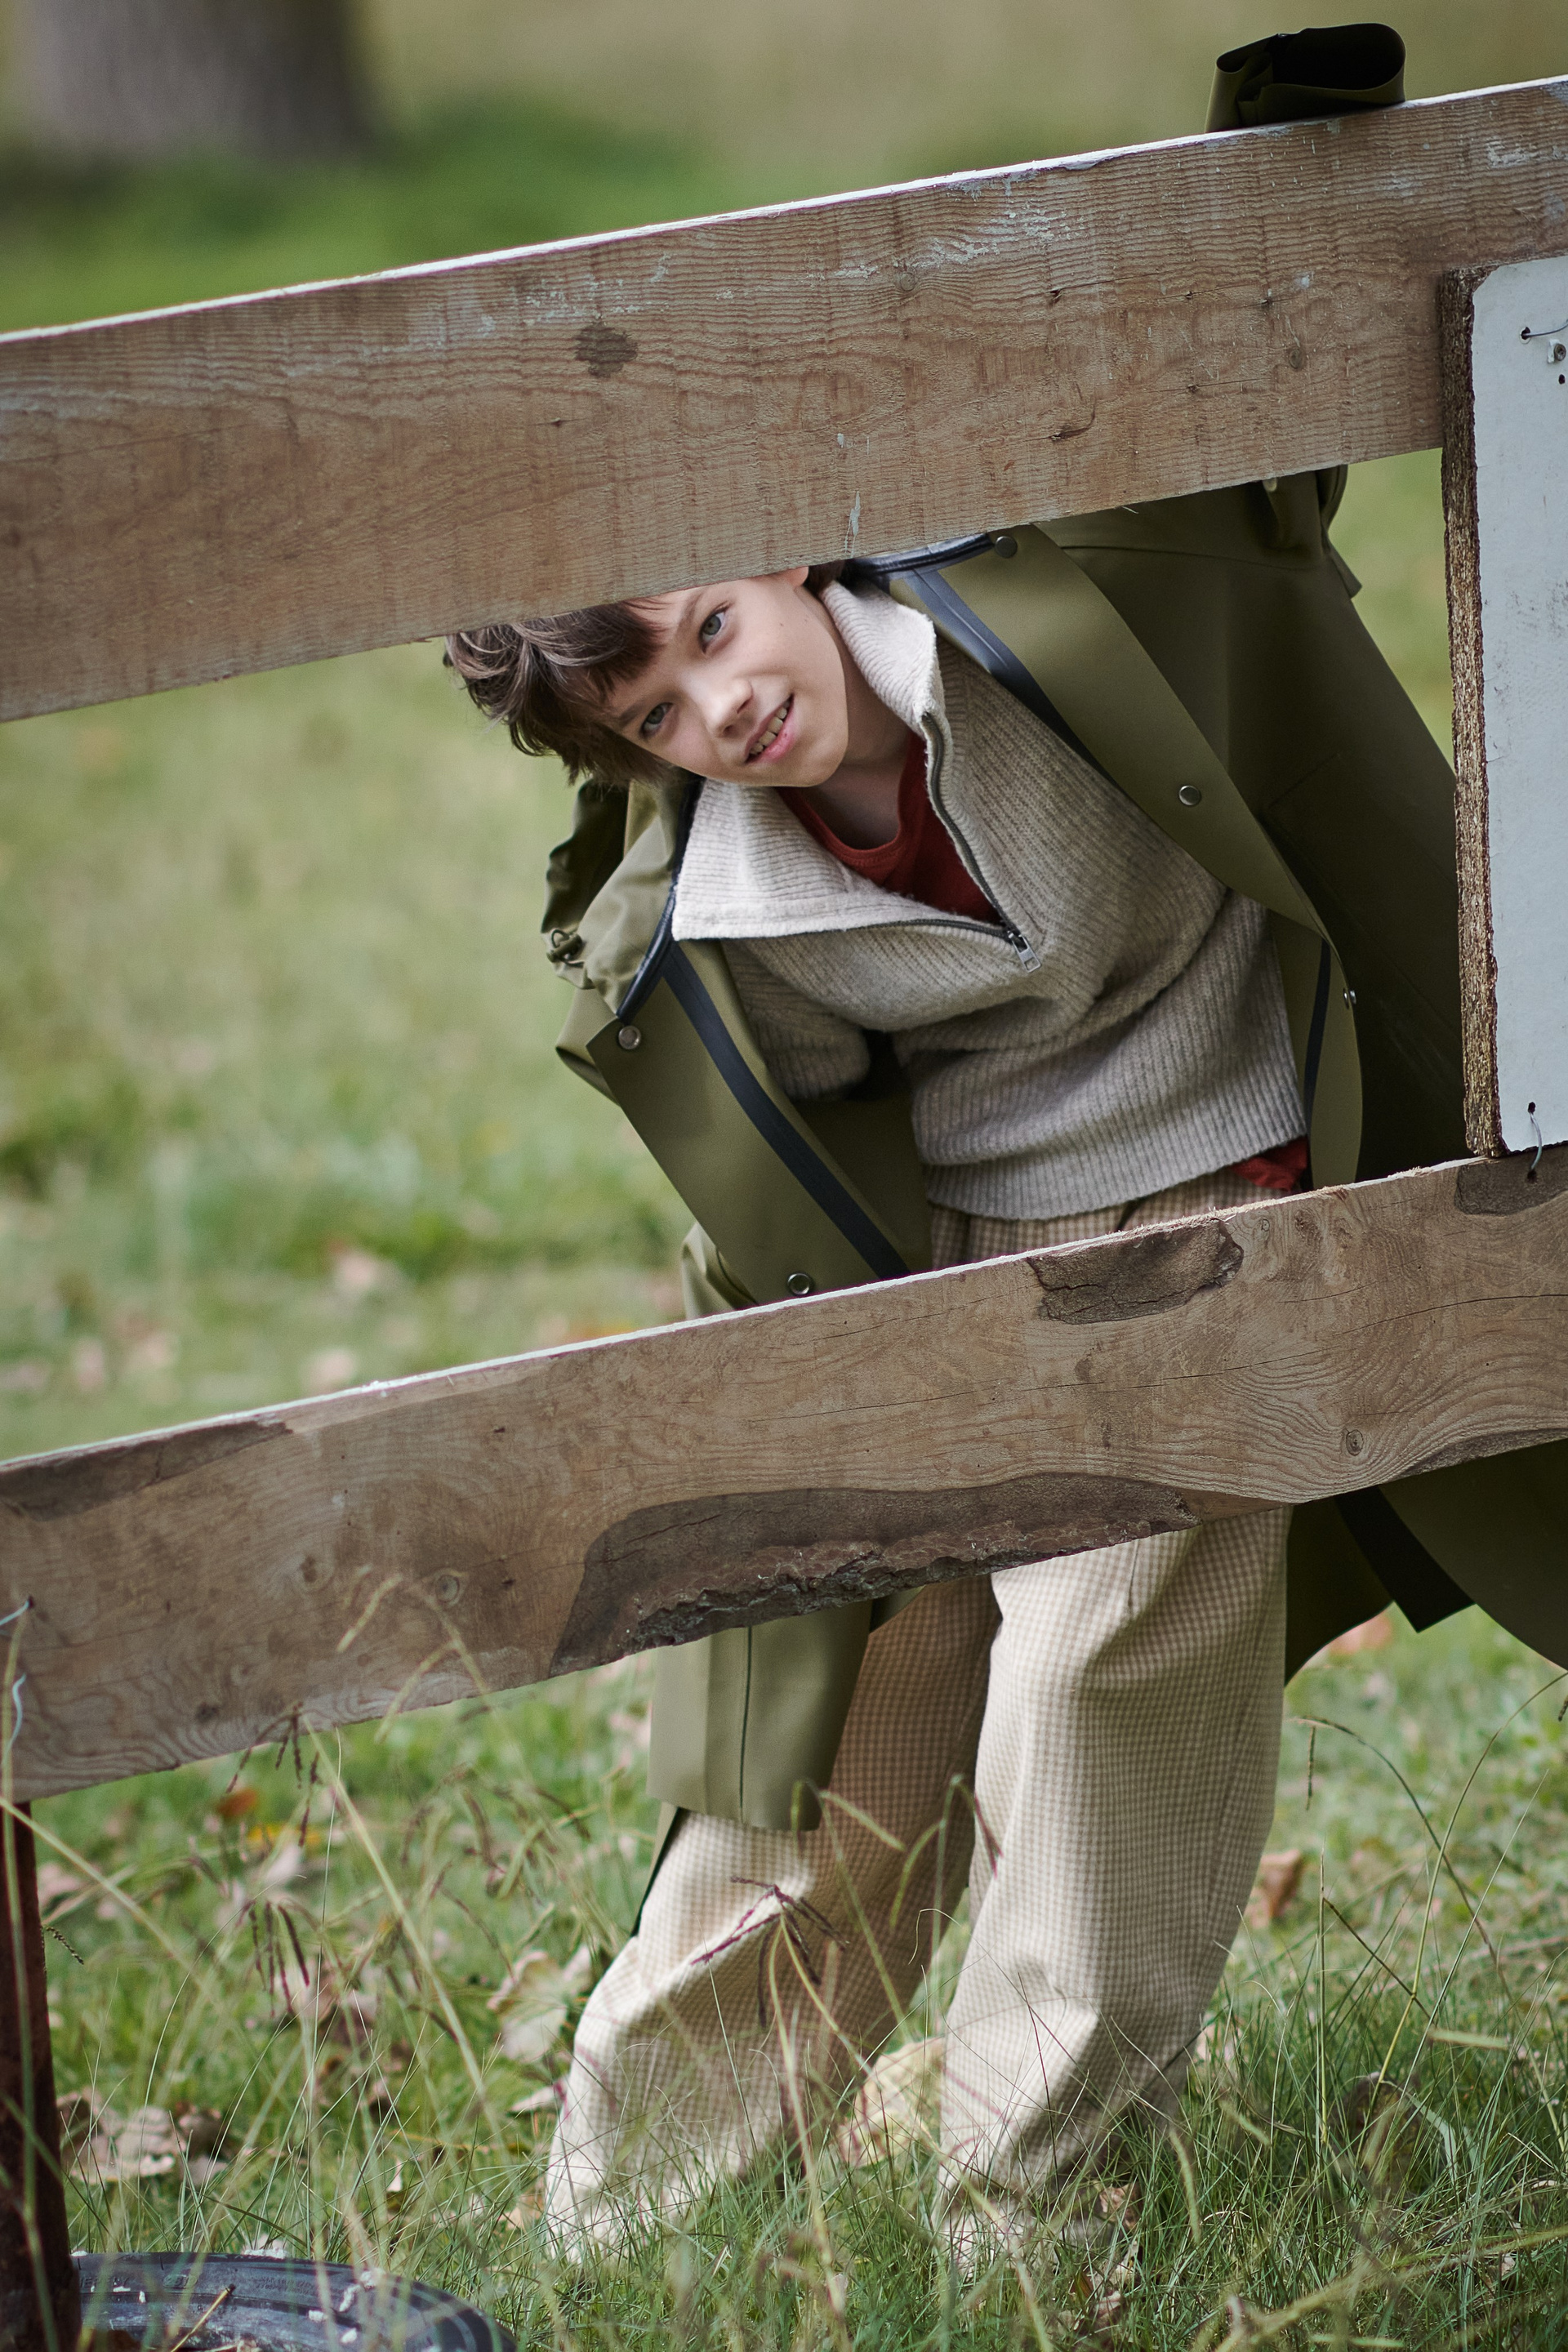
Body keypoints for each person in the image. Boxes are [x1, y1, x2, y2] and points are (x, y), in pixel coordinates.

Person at [446, 555, 1321, 2243]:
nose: (725, 709)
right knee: (843, 1730)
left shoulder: (1018, 623)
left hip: (1210, 1177)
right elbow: (787, 1161)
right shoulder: (724, 898)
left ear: (781, 553)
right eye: (660, 716)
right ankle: (629, 2215)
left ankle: (1027, 2217)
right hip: (950, 1252)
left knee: (1091, 1688)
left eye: (715, 631)